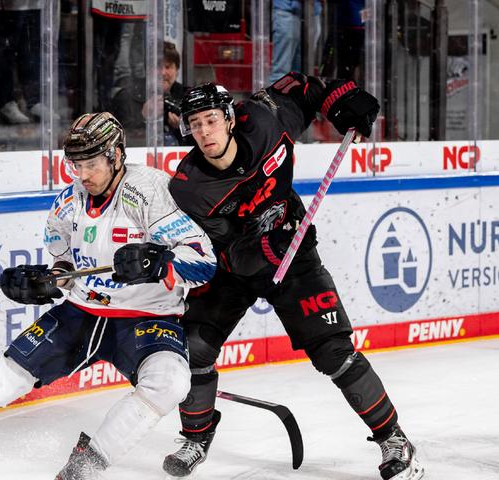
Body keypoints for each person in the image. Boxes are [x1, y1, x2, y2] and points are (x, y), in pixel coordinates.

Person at [0, 112, 218, 479]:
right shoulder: (69, 201)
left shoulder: (151, 191)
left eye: (91, 164)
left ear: (116, 155)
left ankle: (87, 464)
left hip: (147, 318)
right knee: (0, 378)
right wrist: (45, 282)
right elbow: (66, 269)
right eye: (76, 165)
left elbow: (204, 261)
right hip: (82, 313)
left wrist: (160, 261)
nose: (83, 175)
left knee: (170, 383)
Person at [162, 76, 425, 480]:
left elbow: (307, 86)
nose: (204, 132)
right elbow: (218, 248)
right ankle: (196, 438)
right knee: (193, 350)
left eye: (211, 119)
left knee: (334, 352)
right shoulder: (190, 187)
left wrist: (344, 100)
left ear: (230, 118)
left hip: (294, 255)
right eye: (194, 124)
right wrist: (265, 249)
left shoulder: (266, 119)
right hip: (232, 270)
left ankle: (394, 439)